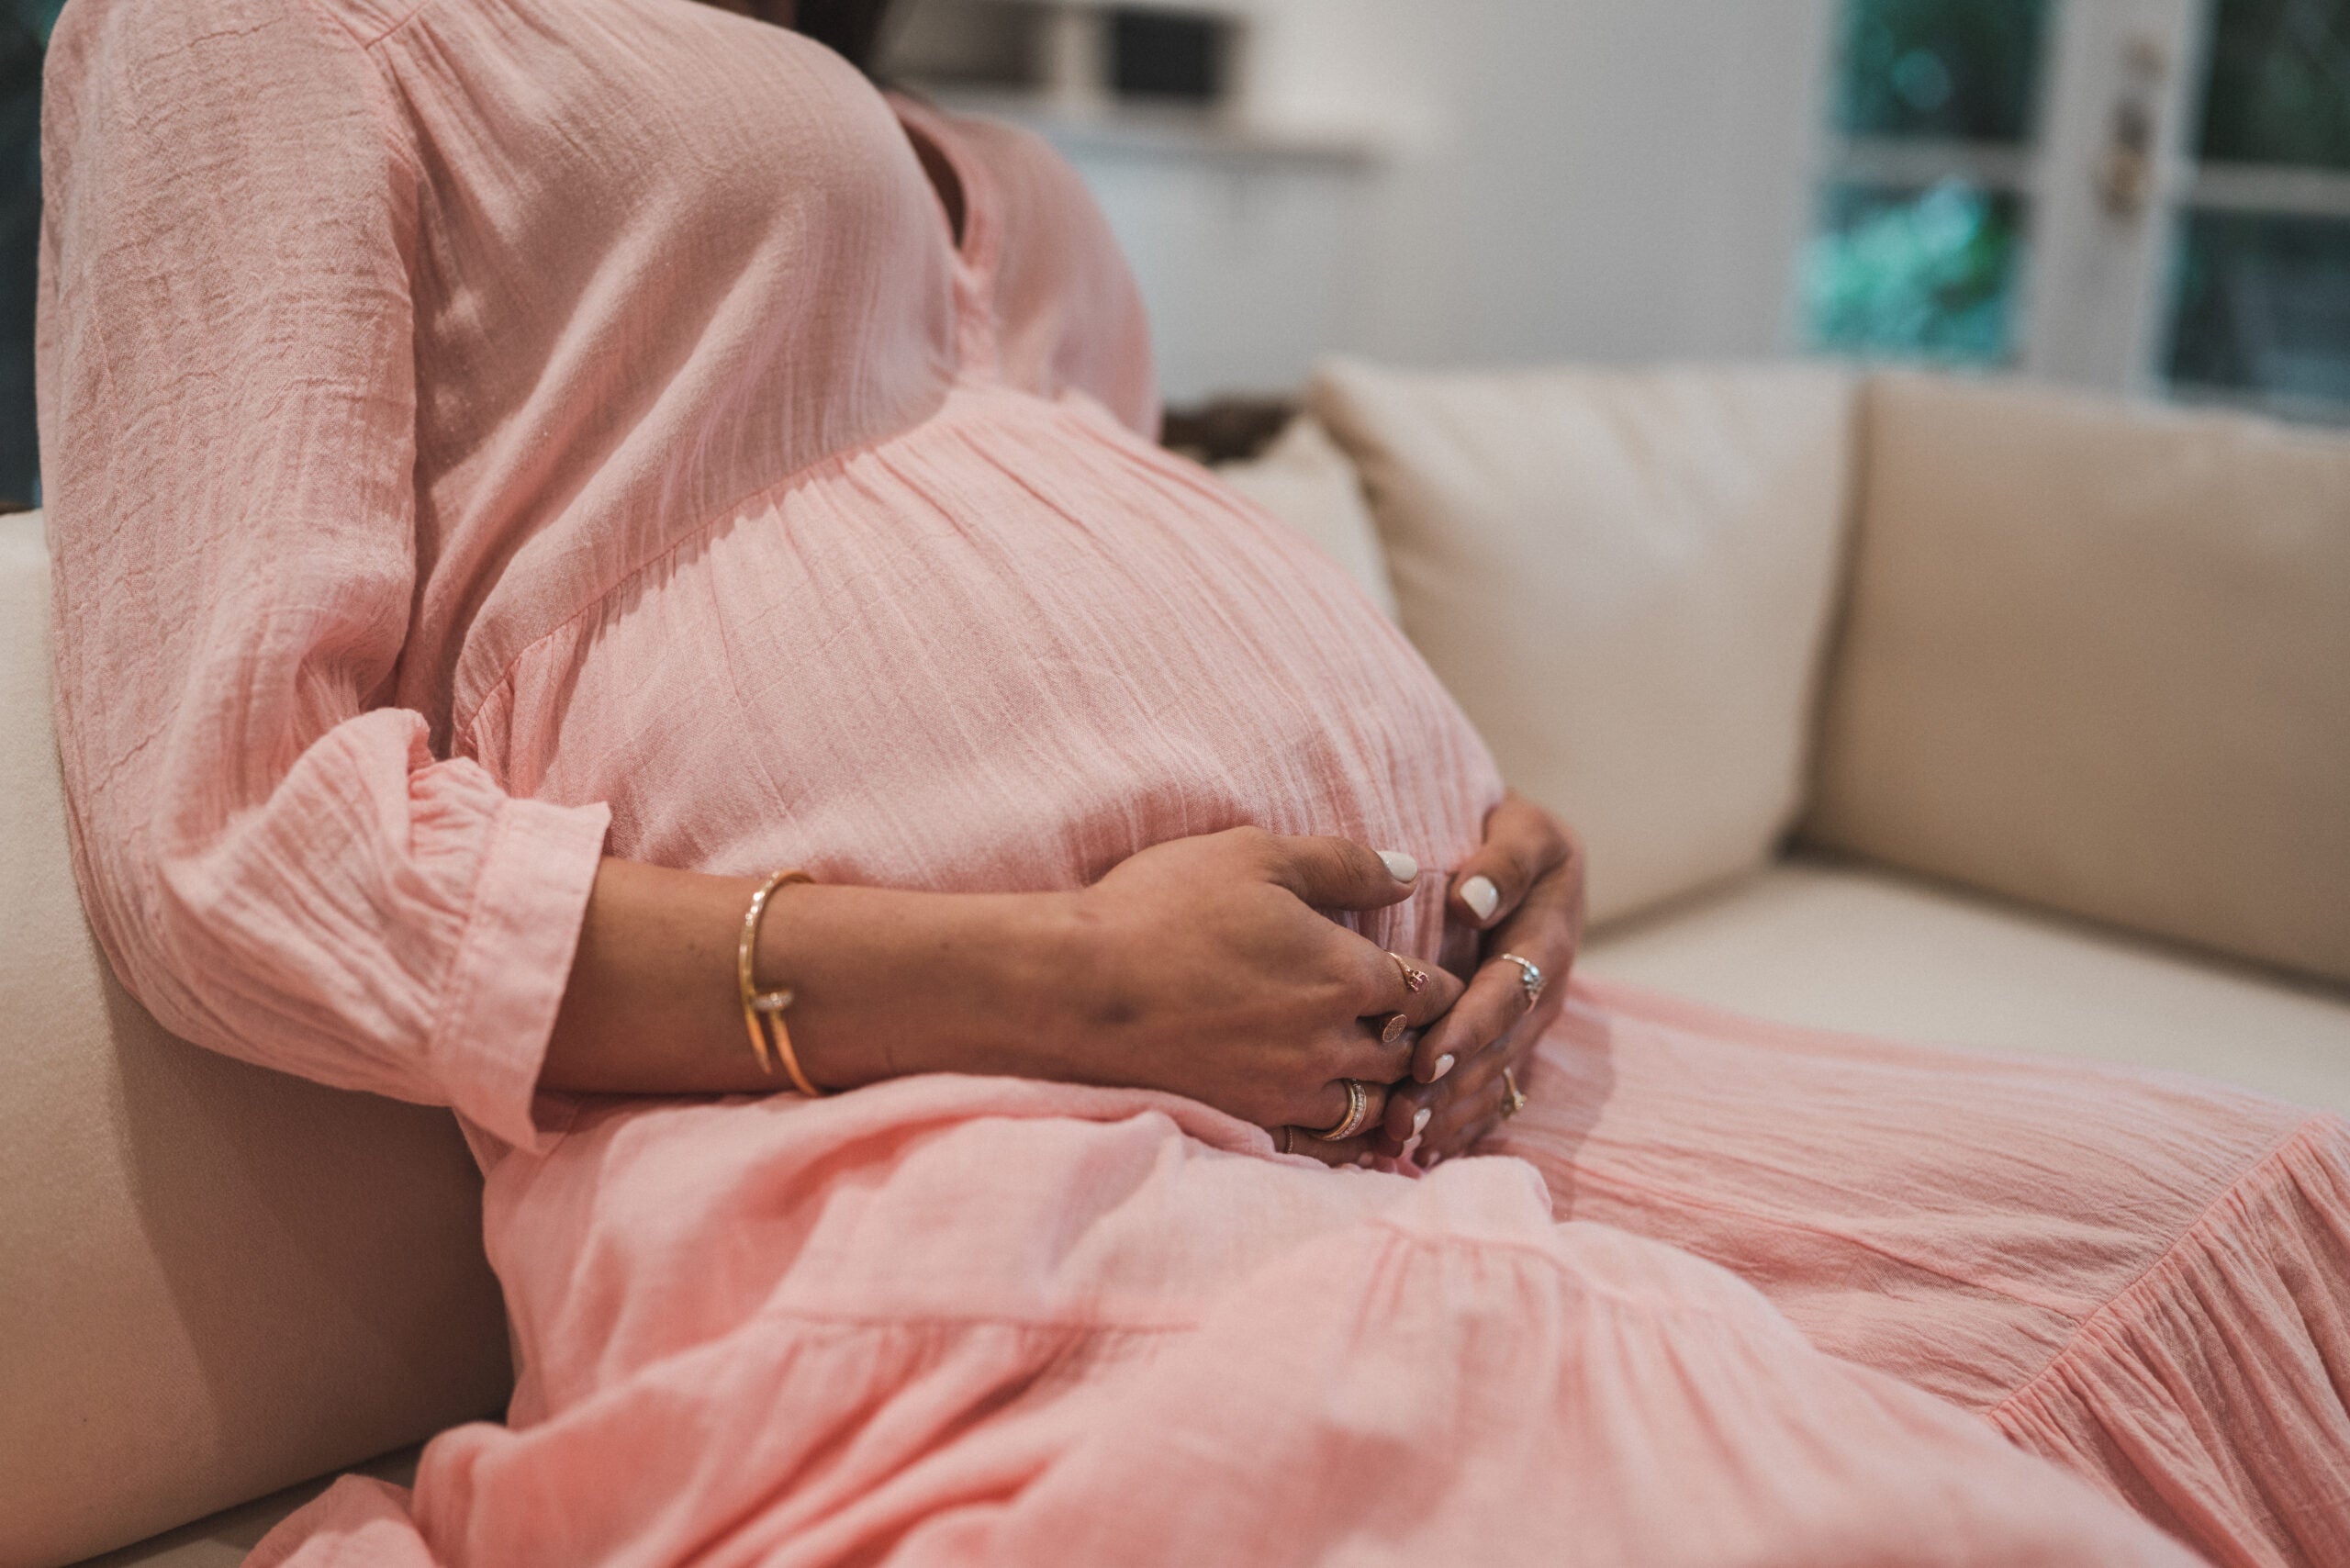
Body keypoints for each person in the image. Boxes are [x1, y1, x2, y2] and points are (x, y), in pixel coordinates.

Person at [38, 0, 2347, 1562]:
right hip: (948, 1133)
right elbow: (234, 837)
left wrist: (1499, 851)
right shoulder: (271, 30)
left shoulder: (940, 134)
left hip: (1444, 1080)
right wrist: (1075, 986)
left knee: (2243, 1197)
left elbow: (1113, 617)